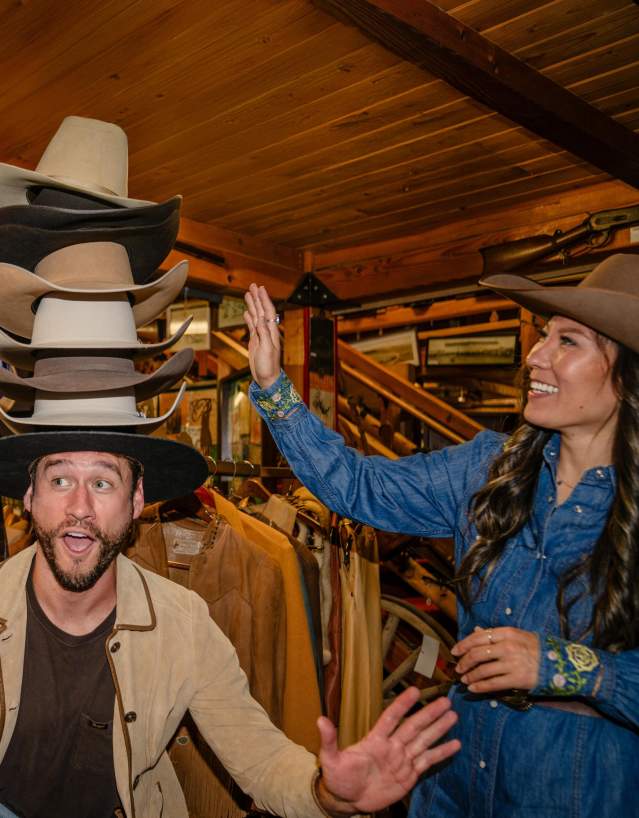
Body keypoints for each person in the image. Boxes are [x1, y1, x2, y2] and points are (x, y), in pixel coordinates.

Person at [244, 253, 639, 818]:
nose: (535, 357)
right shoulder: (488, 470)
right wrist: (273, 386)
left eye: (567, 342)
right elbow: (360, 485)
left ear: (626, 378)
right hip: (454, 784)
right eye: (543, 336)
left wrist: (564, 666)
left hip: (579, 792)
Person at [0, 434, 460, 818]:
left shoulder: (183, 622)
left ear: (136, 500)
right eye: (60, 479)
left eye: (102, 482)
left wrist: (326, 792)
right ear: (30, 495)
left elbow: (258, 755)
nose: (79, 507)